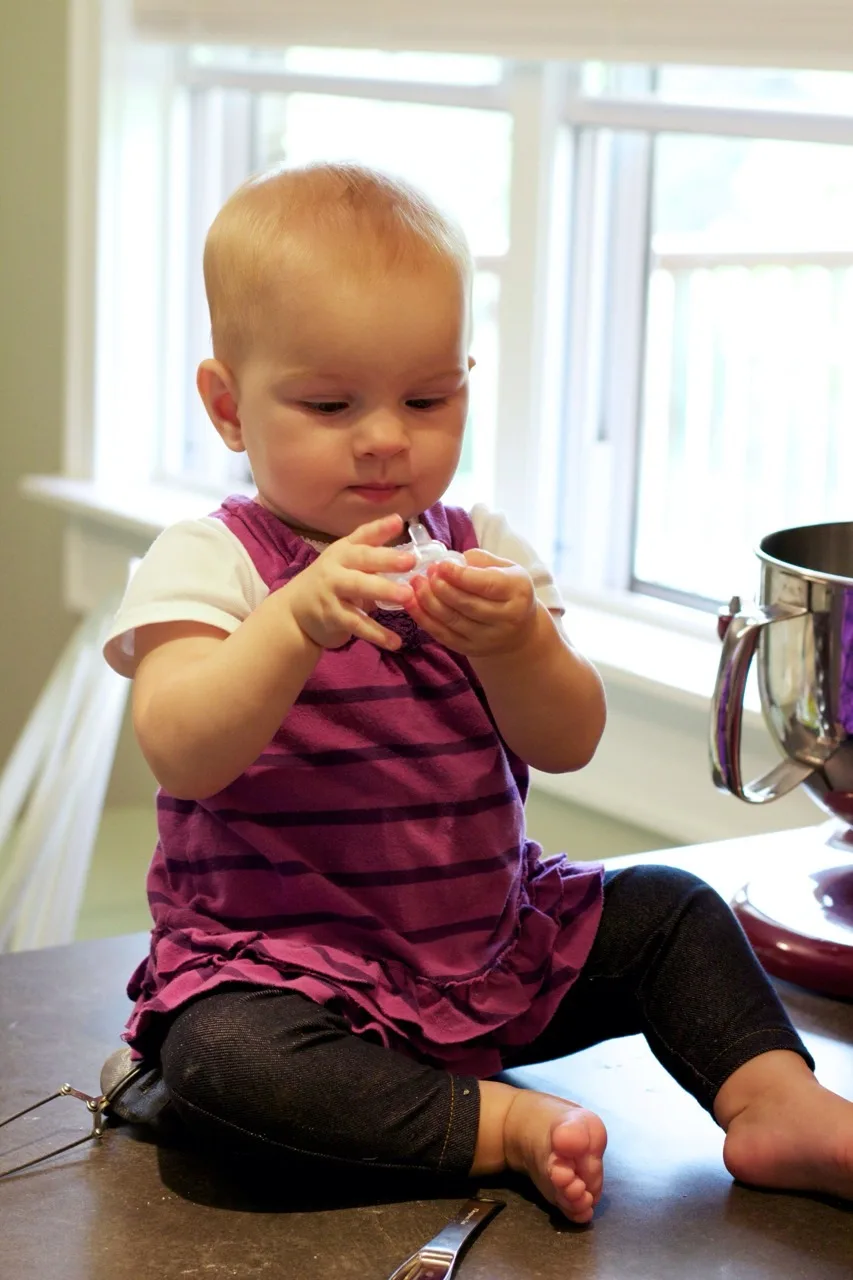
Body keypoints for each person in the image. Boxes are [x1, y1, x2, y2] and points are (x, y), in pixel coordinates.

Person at [104, 161, 853, 1223]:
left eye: (427, 398)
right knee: (223, 1063)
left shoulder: (480, 547)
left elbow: (568, 737)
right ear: (229, 407)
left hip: (491, 950)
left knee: (672, 909)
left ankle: (777, 1102)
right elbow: (182, 748)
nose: (384, 436)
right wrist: (292, 622)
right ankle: (495, 1123)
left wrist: (516, 643)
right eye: (329, 403)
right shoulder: (212, 560)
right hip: (286, 973)